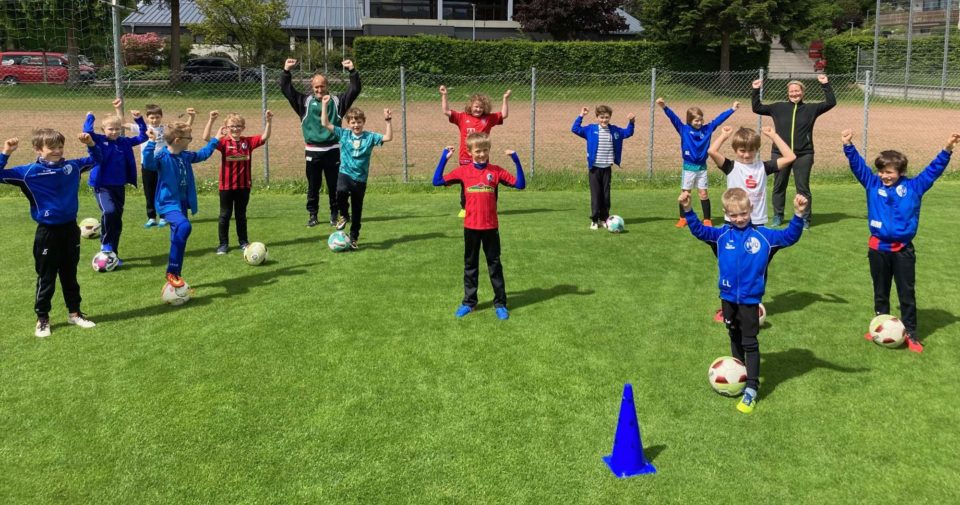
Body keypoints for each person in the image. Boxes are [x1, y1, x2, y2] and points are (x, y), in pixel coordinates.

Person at [681, 188, 808, 414]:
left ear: (751, 209)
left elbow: (789, 236)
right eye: (733, 215)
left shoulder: (764, 237)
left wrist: (798, 214)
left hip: (749, 301)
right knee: (733, 335)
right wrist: (689, 210)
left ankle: (751, 388)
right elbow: (699, 231)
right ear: (726, 213)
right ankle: (737, 373)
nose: (739, 218)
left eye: (743, 213)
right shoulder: (721, 236)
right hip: (727, 298)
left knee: (749, 342)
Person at [842, 129, 960, 353]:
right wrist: (848, 146)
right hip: (877, 249)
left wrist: (947, 149)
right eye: (881, 171)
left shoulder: (914, 187)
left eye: (889, 172)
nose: (884, 176)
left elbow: (933, 170)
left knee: (906, 293)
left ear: (901, 172)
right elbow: (858, 167)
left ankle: (911, 333)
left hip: (903, 250)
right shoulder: (872, 184)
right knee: (880, 292)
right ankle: (879, 327)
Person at [0, 131, 101, 337]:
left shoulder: (72, 166)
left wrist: (91, 143)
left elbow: (98, 159)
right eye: (52, 148)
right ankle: (42, 319)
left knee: (70, 275)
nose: (57, 151)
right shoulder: (27, 172)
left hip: (70, 230)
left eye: (60, 147)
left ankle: (75, 314)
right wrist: (6, 153)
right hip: (47, 233)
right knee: (46, 278)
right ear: (38, 149)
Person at [705, 125, 796, 322]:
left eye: (751, 150)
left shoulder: (763, 167)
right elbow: (711, 151)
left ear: (757, 149)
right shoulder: (731, 167)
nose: (747, 155)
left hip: (757, 227)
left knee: (758, 268)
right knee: (730, 267)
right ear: (735, 150)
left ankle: (753, 305)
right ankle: (728, 308)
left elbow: (790, 157)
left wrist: (774, 135)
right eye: (742, 150)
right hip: (732, 226)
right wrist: (723, 135)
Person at [432, 133, 526, 320]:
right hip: (471, 228)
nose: (482, 154)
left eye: (485, 150)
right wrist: (444, 158)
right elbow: (437, 181)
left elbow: (520, 185)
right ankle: (469, 302)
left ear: (489, 150)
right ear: (470, 152)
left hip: (490, 227)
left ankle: (500, 303)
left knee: (494, 265)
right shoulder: (463, 171)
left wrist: (516, 160)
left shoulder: (496, 171)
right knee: (470, 265)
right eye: (478, 151)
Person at [142, 121, 224, 292]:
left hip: (182, 204)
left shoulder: (185, 156)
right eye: (189, 138)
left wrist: (215, 139)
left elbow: (202, 154)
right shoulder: (162, 157)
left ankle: (176, 274)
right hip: (168, 204)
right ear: (178, 140)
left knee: (179, 238)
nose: (191, 140)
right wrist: (150, 142)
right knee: (184, 226)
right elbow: (148, 164)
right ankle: (171, 271)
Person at [280, 58, 362, 227]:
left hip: (333, 151)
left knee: (335, 186)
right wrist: (286, 71)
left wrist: (352, 71)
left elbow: (354, 89)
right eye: (316, 87)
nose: (319, 89)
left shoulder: (337, 102)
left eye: (322, 86)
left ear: (327, 86)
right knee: (313, 186)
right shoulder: (304, 103)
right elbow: (287, 90)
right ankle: (313, 215)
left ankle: (334, 214)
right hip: (313, 151)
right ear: (312, 87)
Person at [752, 74, 835, 229]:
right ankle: (778, 216)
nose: (794, 93)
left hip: (804, 154)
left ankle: (805, 219)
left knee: (802, 188)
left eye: (797, 91)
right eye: (791, 91)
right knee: (779, 185)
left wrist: (825, 84)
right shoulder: (778, 107)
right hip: (780, 154)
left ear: (803, 92)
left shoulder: (811, 109)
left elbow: (831, 102)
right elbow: (757, 108)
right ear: (787, 93)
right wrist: (756, 89)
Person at [83, 98, 148, 267]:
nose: (114, 132)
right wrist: (90, 117)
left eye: (117, 129)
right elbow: (87, 132)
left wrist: (139, 119)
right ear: (103, 130)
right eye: (110, 129)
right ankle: (105, 244)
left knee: (117, 220)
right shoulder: (99, 140)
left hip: (119, 186)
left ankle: (113, 254)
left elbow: (143, 136)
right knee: (109, 212)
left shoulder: (124, 142)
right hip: (102, 186)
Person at [320, 97, 392, 249]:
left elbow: (388, 137)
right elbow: (325, 123)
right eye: (353, 122)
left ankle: (353, 238)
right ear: (348, 123)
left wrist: (388, 121)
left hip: (360, 179)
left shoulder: (370, 137)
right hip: (345, 172)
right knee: (340, 191)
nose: (356, 125)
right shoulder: (344, 134)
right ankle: (344, 215)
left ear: (363, 122)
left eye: (358, 122)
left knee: (357, 210)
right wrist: (325, 104)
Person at [656, 97, 738, 227]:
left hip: (701, 168)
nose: (699, 123)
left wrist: (732, 109)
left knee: (703, 193)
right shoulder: (684, 129)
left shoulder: (707, 129)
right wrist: (664, 107)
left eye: (701, 120)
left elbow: (718, 119)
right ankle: (683, 218)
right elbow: (674, 118)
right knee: (685, 193)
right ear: (690, 120)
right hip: (688, 168)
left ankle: (707, 220)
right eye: (696, 120)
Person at [201, 109, 273, 255]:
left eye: (238, 126)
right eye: (232, 126)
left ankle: (243, 242)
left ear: (243, 128)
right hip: (226, 186)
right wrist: (211, 120)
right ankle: (223, 244)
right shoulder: (223, 142)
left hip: (243, 186)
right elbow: (206, 137)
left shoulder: (248, 142)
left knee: (241, 215)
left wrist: (269, 121)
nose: (235, 129)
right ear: (226, 128)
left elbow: (265, 136)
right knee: (225, 215)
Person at [439, 85, 511, 218]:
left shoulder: (488, 118)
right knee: (465, 183)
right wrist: (444, 95)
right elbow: (446, 111)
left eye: (481, 107)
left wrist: (505, 99)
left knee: (489, 182)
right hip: (465, 158)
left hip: (482, 158)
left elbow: (504, 115)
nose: (478, 109)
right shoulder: (462, 117)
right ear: (470, 106)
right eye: (476, 106)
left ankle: (490, 207)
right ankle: (465, 208)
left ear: (485, 108)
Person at [571, 105, 635, 230]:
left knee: (606, 196)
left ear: (610, 117)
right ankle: (595, 220)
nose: (604, 120)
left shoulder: (615, 131)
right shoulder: (591, 130)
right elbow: (575, 129)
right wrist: (581, 115)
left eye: (606, 117)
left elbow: (628, 132)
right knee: (596, 196)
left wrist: (632, 122)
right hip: (594, 170)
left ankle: (604, 219)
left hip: (607, 169)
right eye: (601, 117)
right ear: (597, 118)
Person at [141, 104, 196, 228]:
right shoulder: (144, 128)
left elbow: (183, 130)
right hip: (148, 164)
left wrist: (191, 117)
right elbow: (123, 124)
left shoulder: (165, 129)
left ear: (161, 117)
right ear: (147, 118)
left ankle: (164, 216)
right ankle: (151, 217)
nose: (154, 120)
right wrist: (119, 109)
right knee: (149, 191)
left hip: (164, 163)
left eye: (157, 117)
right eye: (152, 117)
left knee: (162, 190)